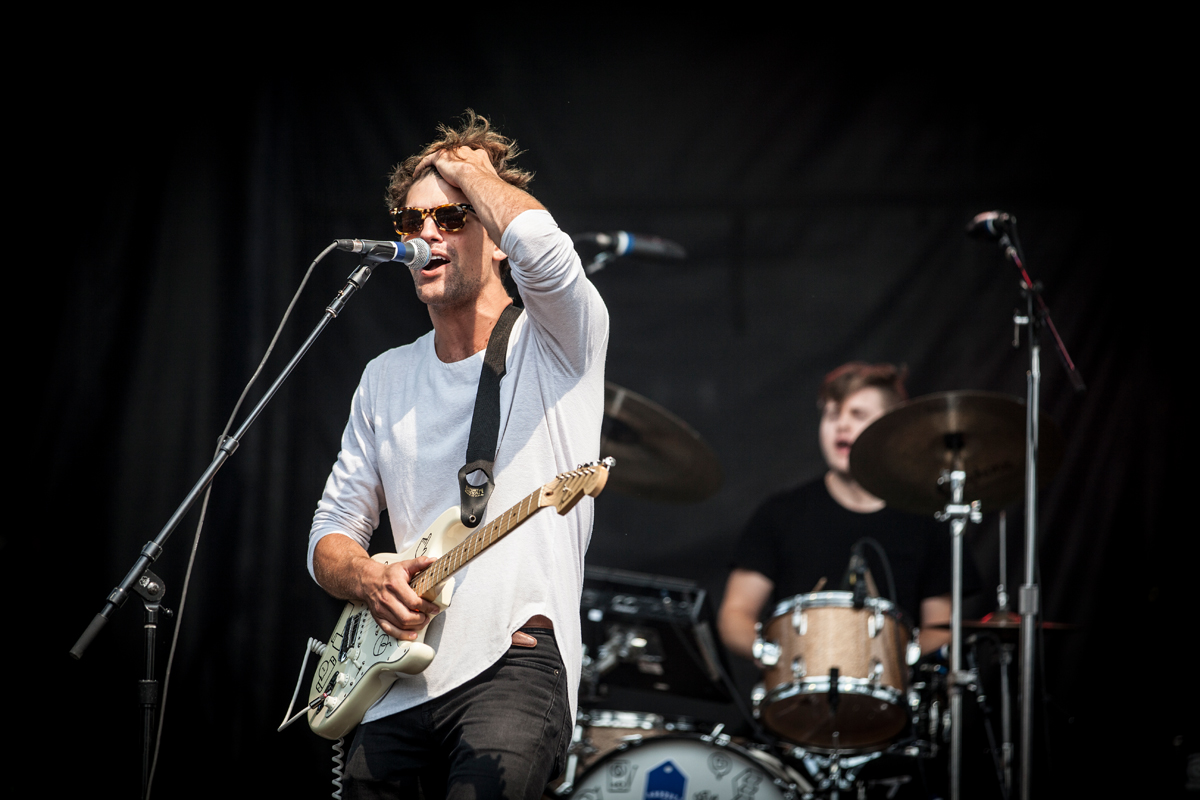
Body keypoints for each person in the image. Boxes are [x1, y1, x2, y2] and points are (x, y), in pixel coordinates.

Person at [307, 111, 608, 799]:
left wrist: (471, 169)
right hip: (393, 683)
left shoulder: (556, 343)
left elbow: (547, 249)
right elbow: (329, 535)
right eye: (411, 222)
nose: (427, 235)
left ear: (496, 237)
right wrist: (366, 578)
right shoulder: (386, 377)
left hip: (512, 669)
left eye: (452, 216)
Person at [718, 362, 963, 663]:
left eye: (857, 415)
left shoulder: (926, 520)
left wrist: (892, 661)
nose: (841, 425)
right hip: (797, 697)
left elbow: (941, 627)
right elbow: (735, 613)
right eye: (832, 414)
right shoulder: (781, 512)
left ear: (891, 429)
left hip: (892, 698)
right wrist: (771, 655)